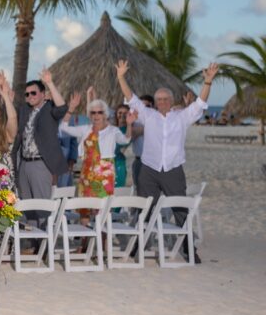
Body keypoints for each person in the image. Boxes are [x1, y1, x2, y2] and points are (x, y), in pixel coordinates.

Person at [117, 60, 217, 262]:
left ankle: (189, 249)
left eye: (165, 99)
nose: (161, 101)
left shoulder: (182, 117)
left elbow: (200, 104)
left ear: (171, 101)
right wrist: (121, 77)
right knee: (144, 209)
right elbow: (130, 97)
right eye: (158, 99)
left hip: (173, 170)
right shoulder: (148, 115)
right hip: (149, 170)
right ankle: (140, 245)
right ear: (155, 102)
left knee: (181, 210)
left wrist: (207, 82)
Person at [60, 94, 134, 205]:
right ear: (89, 115)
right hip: (87, 170)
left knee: (102, 208)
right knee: (85, 207)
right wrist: (71, 109)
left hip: (105, 171)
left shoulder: (113, 130)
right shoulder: (85, 129)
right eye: (93, 112)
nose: (96, 115)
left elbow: (126, 140)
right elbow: (64, 127)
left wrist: (129, 124)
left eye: (100, 112)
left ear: (105, 114)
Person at [12, 69, 68, 206]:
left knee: (42, 205)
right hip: (23, 164)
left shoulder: (49, 108)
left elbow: (62, 108)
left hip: (41, 163)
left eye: (33, 93)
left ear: (43, 94)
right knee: (25, 206)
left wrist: (49, 82)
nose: (30, 96)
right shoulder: (24, 109)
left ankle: (44, 228)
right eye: (27, 94)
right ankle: (30, 227)